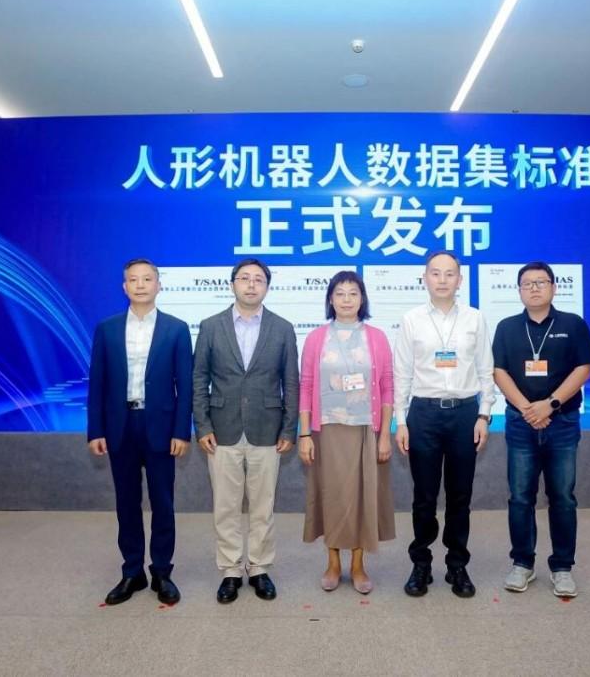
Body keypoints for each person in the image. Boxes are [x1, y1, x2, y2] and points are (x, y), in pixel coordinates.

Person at [193, 258, 299, 604]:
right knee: (225, 505)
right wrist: (202, 424)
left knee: (262, 505)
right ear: (232, 284)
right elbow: (199, 379)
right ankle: (230, 570)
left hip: (267, 428)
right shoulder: (211, 326)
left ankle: (259, 568)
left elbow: (291, 382)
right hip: (221, 429)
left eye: (258, 280)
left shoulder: (282, 328)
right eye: (244, 278)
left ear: (267, 287)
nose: (251, 284)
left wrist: (289, 428)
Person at [87, 258, 193, 606]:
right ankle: (132, 571)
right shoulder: (107, 329)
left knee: (163, 502)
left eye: (148, 279)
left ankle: (162, 571)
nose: (141, 285)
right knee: (126, 502)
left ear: (159, 285)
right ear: (124, 287)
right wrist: (95, 429)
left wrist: (182, 431)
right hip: (120, 426)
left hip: (161, 426)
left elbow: (186, 387)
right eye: (134, 280)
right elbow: (97, 383)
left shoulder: (176, 329)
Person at [492, 261, 590, 598]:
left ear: (554, 287)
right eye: (527, 283)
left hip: (562, 422)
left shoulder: (573, 324)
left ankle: (562, 567)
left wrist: (550, 404)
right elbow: (498, 371)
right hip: (521, 423)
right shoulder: (507, 327)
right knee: (520, 497)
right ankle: (522, 563)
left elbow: (584, 369)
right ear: (519, 291)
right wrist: (528, 409)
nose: (534, 288)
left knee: (562, 497)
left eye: (541, 282)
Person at [393, 250, 495, 598]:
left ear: (460, 280)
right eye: (435, 273)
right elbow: (402, 373)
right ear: (425, 278)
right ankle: (421, 563)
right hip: (423, 414)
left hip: (465, 414)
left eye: (449, 274)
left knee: (460, 494)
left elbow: (485, 369)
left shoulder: (475, 318)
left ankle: (457, 564)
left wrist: (484, 415)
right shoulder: (411, 320)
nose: (442, 280)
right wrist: (401, 421)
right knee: (424, 495)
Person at [298, 271, 395, 594]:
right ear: (330, 299)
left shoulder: (377, 337)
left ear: (362, 299)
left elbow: (387, 387)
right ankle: (332, 563)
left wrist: (384, 434)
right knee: (331, 496)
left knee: (362, 498)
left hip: (366, 429)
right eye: (339, 293)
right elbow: (306, 386)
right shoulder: (316, 338)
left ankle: (357, 565)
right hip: (326, 430)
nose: (346, 299)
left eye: (353, 293)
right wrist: (304, 434)